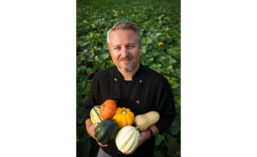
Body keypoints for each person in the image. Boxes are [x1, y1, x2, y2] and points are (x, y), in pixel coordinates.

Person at [84, 21, 176, 157]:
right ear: (110, 50)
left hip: (142, 152)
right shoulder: (100, 79)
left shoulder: (158, 82)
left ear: (140, 47)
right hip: (107, 152)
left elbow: (168, 116)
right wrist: (91, 129)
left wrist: (146, 134)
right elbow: (88, 108)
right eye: (117, 48)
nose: (124, 53)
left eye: (130, 46)